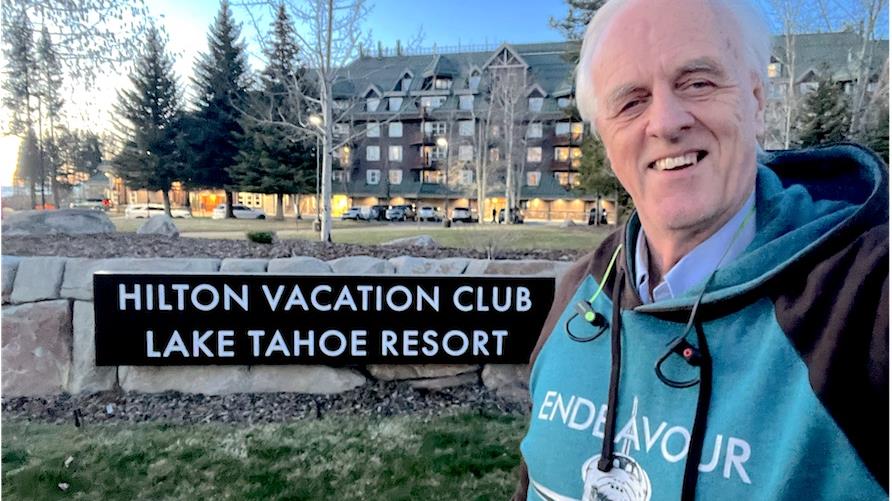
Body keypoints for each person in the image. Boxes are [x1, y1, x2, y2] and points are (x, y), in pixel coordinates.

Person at [514, 0, 888, 500]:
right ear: (605, 139)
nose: (666, 122)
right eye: (631, 101)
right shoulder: (579, 294)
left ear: (756, 100)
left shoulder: (865, 296)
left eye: (698, 82)